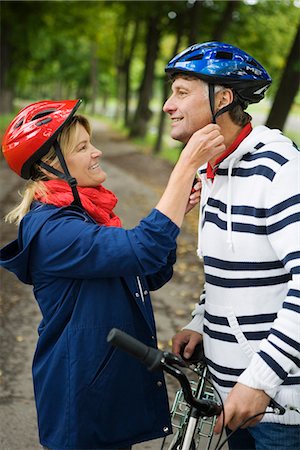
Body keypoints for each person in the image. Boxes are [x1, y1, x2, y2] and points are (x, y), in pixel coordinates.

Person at [0, 99, 224, 450]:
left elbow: (147, 273)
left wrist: (177, 206)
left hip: (104, 391)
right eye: (83, 147)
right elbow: (141, 248)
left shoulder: (85, 216)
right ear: (50, 164)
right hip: (83, 399)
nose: (97, 152)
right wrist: (185, 167)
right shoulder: (52, 230)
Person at [164, 42, 300, 449]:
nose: (168, 105)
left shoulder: (279, 170)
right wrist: (200, 320)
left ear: (222, 99)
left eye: (182, 92)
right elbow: (230, 268)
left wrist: (259, 383)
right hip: (232, 397)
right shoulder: (215, 169)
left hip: (279, 409)